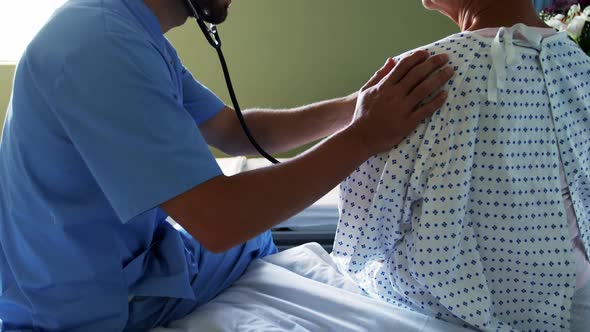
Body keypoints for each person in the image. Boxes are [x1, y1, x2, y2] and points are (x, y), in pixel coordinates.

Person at [0, 0, 454, 330]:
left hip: (125, 262)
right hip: (79, 305)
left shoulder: (124, 30)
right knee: (249, 236)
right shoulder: (99, 46)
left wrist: (357, 107)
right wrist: (364, 137)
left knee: (257, 240)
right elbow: (220, 222)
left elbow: (233, 131)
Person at [332, 0, 590, 331]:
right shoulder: (577, 64)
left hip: (448, 308)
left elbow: (362, 237)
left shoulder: (420, 79)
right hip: (573, 302)